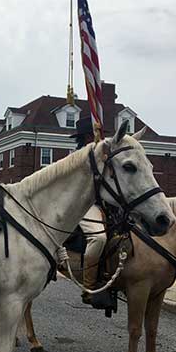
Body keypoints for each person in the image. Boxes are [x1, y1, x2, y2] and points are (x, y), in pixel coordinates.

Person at [69, 118, 107, 296]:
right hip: (85, 203)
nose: (99, 137)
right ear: (87, 137)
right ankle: (89, 287)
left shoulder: (102, 154)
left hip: (106, 202)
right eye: (95, 134)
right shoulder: (77, 158)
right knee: (98, 238)